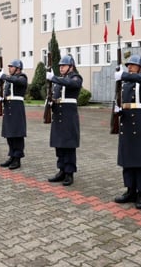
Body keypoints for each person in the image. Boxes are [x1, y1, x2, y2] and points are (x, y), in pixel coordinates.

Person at [112, 54, 141, 210]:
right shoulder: (124, 85)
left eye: (132, 65)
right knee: (127, 159)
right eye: (128, 65)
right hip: (126, 122)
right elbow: (119, 100)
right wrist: (117, 110)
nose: (129, 67)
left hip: (140, 123)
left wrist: (124, 75)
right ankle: (130, 190)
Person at [46, 55, 82, 186]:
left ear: (71, 67)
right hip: (58, 116)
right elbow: (55, 96)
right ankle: (61, 170)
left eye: (64, 66)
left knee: (68, 146)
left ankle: (69, 173)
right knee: (59, 145)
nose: (61, 68)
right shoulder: (59, 80)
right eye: (60, 66)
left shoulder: (75, 77)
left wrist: (53, 78)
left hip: (68, 117)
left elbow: (72, 84)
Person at [0, 59, 27, 169]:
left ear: (18, 68)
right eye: (9, 67)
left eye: (12, 67)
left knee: (17, 134)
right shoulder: (9, 80)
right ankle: (11, 155)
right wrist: (1, 98)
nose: (9, 68)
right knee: (9, 134)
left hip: (17, 108)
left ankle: (17, 158)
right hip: (9, 108)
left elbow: (19, 82)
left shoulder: (22, 77)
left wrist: (4, 76)